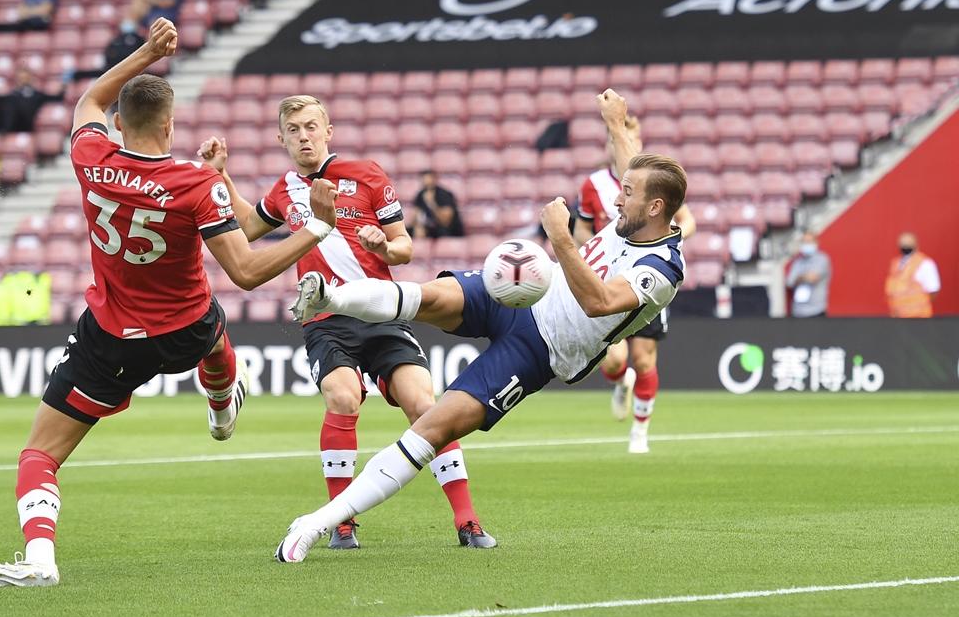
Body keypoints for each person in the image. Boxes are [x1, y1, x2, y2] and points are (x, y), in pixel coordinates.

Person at [0, 18, 339, 588]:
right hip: (185, 329)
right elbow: (246, 271)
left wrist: (147, 53)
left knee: (39, 455)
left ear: (117, 124)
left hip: (110, 340)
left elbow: (90, 97)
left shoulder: (91, 157)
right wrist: (317, 228)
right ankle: (220, 404)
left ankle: (39, 561)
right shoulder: (195, 181)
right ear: (170, 125)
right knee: (215, 329)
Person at [274, 90, 687, 563]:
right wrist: (615, 122)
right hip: (522, 294)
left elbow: (598, 302)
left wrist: (560, 238)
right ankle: (329, 296)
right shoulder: (638, 213)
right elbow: (631, 162)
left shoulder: (661, 269)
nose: (616, 199)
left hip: (540, 352)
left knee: (431, 427)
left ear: (655, 207)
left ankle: (316, 523)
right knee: (428, 296)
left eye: (628, 193)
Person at [211, 94, 495, 552]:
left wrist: (383, 246)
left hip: (382, 312)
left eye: (310, 126)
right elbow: (245, 227)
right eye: (293, 130)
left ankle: (467, 521)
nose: (303, 136)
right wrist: (220, 175)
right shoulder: (285, 189)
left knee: (426, 405)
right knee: (342, 397)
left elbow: (405, 249)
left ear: (328, 131)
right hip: (325, 319)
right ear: (281, 139)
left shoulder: (367, 174)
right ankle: (341, 523)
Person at [573, 106, 695, 453]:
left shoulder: (653, 182)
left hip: (646, 275)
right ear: (610, 144)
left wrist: (665, 245)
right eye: (621, 138)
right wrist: (596, 246)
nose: (627, 143)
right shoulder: (594, 184)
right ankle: (620, 381)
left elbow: (686, 221)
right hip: (609, 278)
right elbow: (580, 227)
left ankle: (640, 431)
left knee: (643, 360)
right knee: (613, 360)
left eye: (634, 138)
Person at [0, 66, 70, 135]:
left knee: (12, 106)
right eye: (21, 77)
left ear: (30, 78)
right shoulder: (14, 94)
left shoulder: (36, 95)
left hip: (26, 124)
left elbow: (56, 98)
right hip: (11, 123)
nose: (23, 79)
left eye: (25, 77)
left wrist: (65, 83)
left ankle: (4, 131)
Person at [885, 232, 939, 318]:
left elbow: (933, 289)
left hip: (918, 318)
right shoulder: (895, 263)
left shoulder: (924, 263)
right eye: (903, 244)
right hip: (897, 316)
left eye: (908, 244)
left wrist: (919, 306)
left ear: (916, 244)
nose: (905, 246)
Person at [72, 19, 146, 80]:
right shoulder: (116, 39)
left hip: (130, 70)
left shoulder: (138, 39)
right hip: (112, 69)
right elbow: (109, 54)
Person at [786, 231, 832, 318]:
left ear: (816, 242)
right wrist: (803, 276)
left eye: (809, 242)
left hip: (816, 310)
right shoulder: (798, 262)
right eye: (804, 242)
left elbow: (813, 278)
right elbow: (789, 282)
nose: (806, 245)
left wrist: (799, 278)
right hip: (798, 310)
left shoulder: (822, 259)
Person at [407, 170, 464, 239]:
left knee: (442, 231)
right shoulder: (421, 195)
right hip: (430, 227)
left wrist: (431, 204)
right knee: (407, 232)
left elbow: (446, 221)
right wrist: (417, 227)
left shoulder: (445, 194)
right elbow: (414, 215)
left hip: (449, 229)